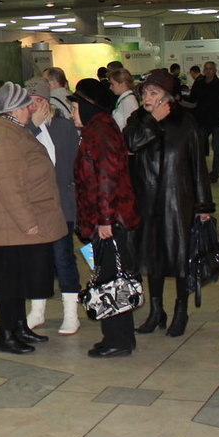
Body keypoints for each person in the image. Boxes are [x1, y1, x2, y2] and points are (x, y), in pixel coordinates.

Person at [0, 83, 67, 355]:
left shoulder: (14, 131)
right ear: (15, 109)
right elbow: (9, 186)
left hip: (13, 224)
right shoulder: (5, 138)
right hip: (9, 224)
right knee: (7, 283)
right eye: (27, 105)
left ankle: (19, 327)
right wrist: (27, 222)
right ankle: (6, 335)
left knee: (18, 280)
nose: (31, 108)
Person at [123, 69, 214, 338]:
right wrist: (152, 120)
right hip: (147, 200)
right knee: (153, 258)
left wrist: (203, 206)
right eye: (145, 92)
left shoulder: (186, 121)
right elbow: (130, 143)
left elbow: (197, 164)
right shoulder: (138, 119)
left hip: (178, 200)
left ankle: (181, 310)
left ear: (168, 97)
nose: (147, 97)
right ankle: (156, 310)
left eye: (154, 93)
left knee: (180, 256)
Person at [70, 82, 139, 358]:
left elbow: (107, 178)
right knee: (111, 276)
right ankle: (120, 336)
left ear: (89, 107)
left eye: (75, 108)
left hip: (108, 221)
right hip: (102, 218)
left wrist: (106, 220)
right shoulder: (96, 129)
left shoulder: (100, 133)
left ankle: (117, 339)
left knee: (111, 279)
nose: (72, 113)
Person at [23, 77, 83, 335]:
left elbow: (66, 166)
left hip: (61, 205)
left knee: (63, 258)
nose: (34, 106)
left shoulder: (63, 127)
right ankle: (37, 311)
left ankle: (71, 314)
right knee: (37, 260)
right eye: (29, 101)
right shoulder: (22, 129)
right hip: (34, 207)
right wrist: (33, 128)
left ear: (47, 102)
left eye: (38, 100)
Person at [190, 61, 219, 183]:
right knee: (198, 148)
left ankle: (215, 174)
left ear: (215, 71)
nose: (208, 71)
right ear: (204, 70)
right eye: (206, 68)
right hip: (202, 122)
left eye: (211, 69)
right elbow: (192, 99)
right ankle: (200, 173)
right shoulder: (199, 83)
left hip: (217, 122)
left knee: (217, 149)